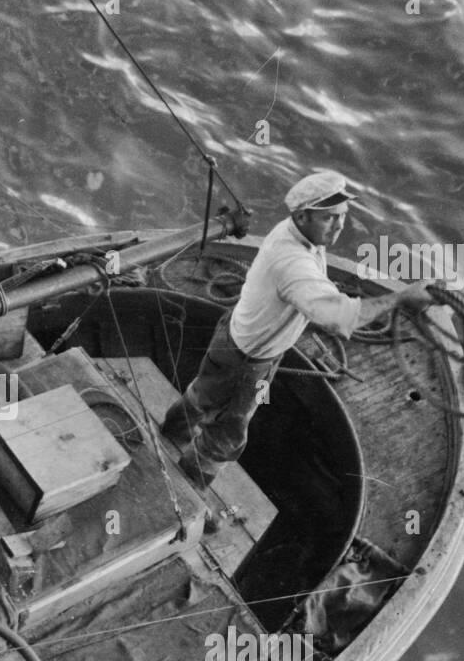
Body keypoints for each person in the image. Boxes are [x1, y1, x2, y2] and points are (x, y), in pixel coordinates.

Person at [162, 170, 435, 484]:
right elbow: (340, 318)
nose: (339, 226)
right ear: (303, 216)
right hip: (249, 363)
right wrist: (401, 298)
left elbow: (313, 289)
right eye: (330, 218)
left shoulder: (292, 232)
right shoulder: (293, 263)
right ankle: (191, 482)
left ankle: (171, 433)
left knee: (202, 394)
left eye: (342, 216)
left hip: (231, 336)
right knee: (228, 434)